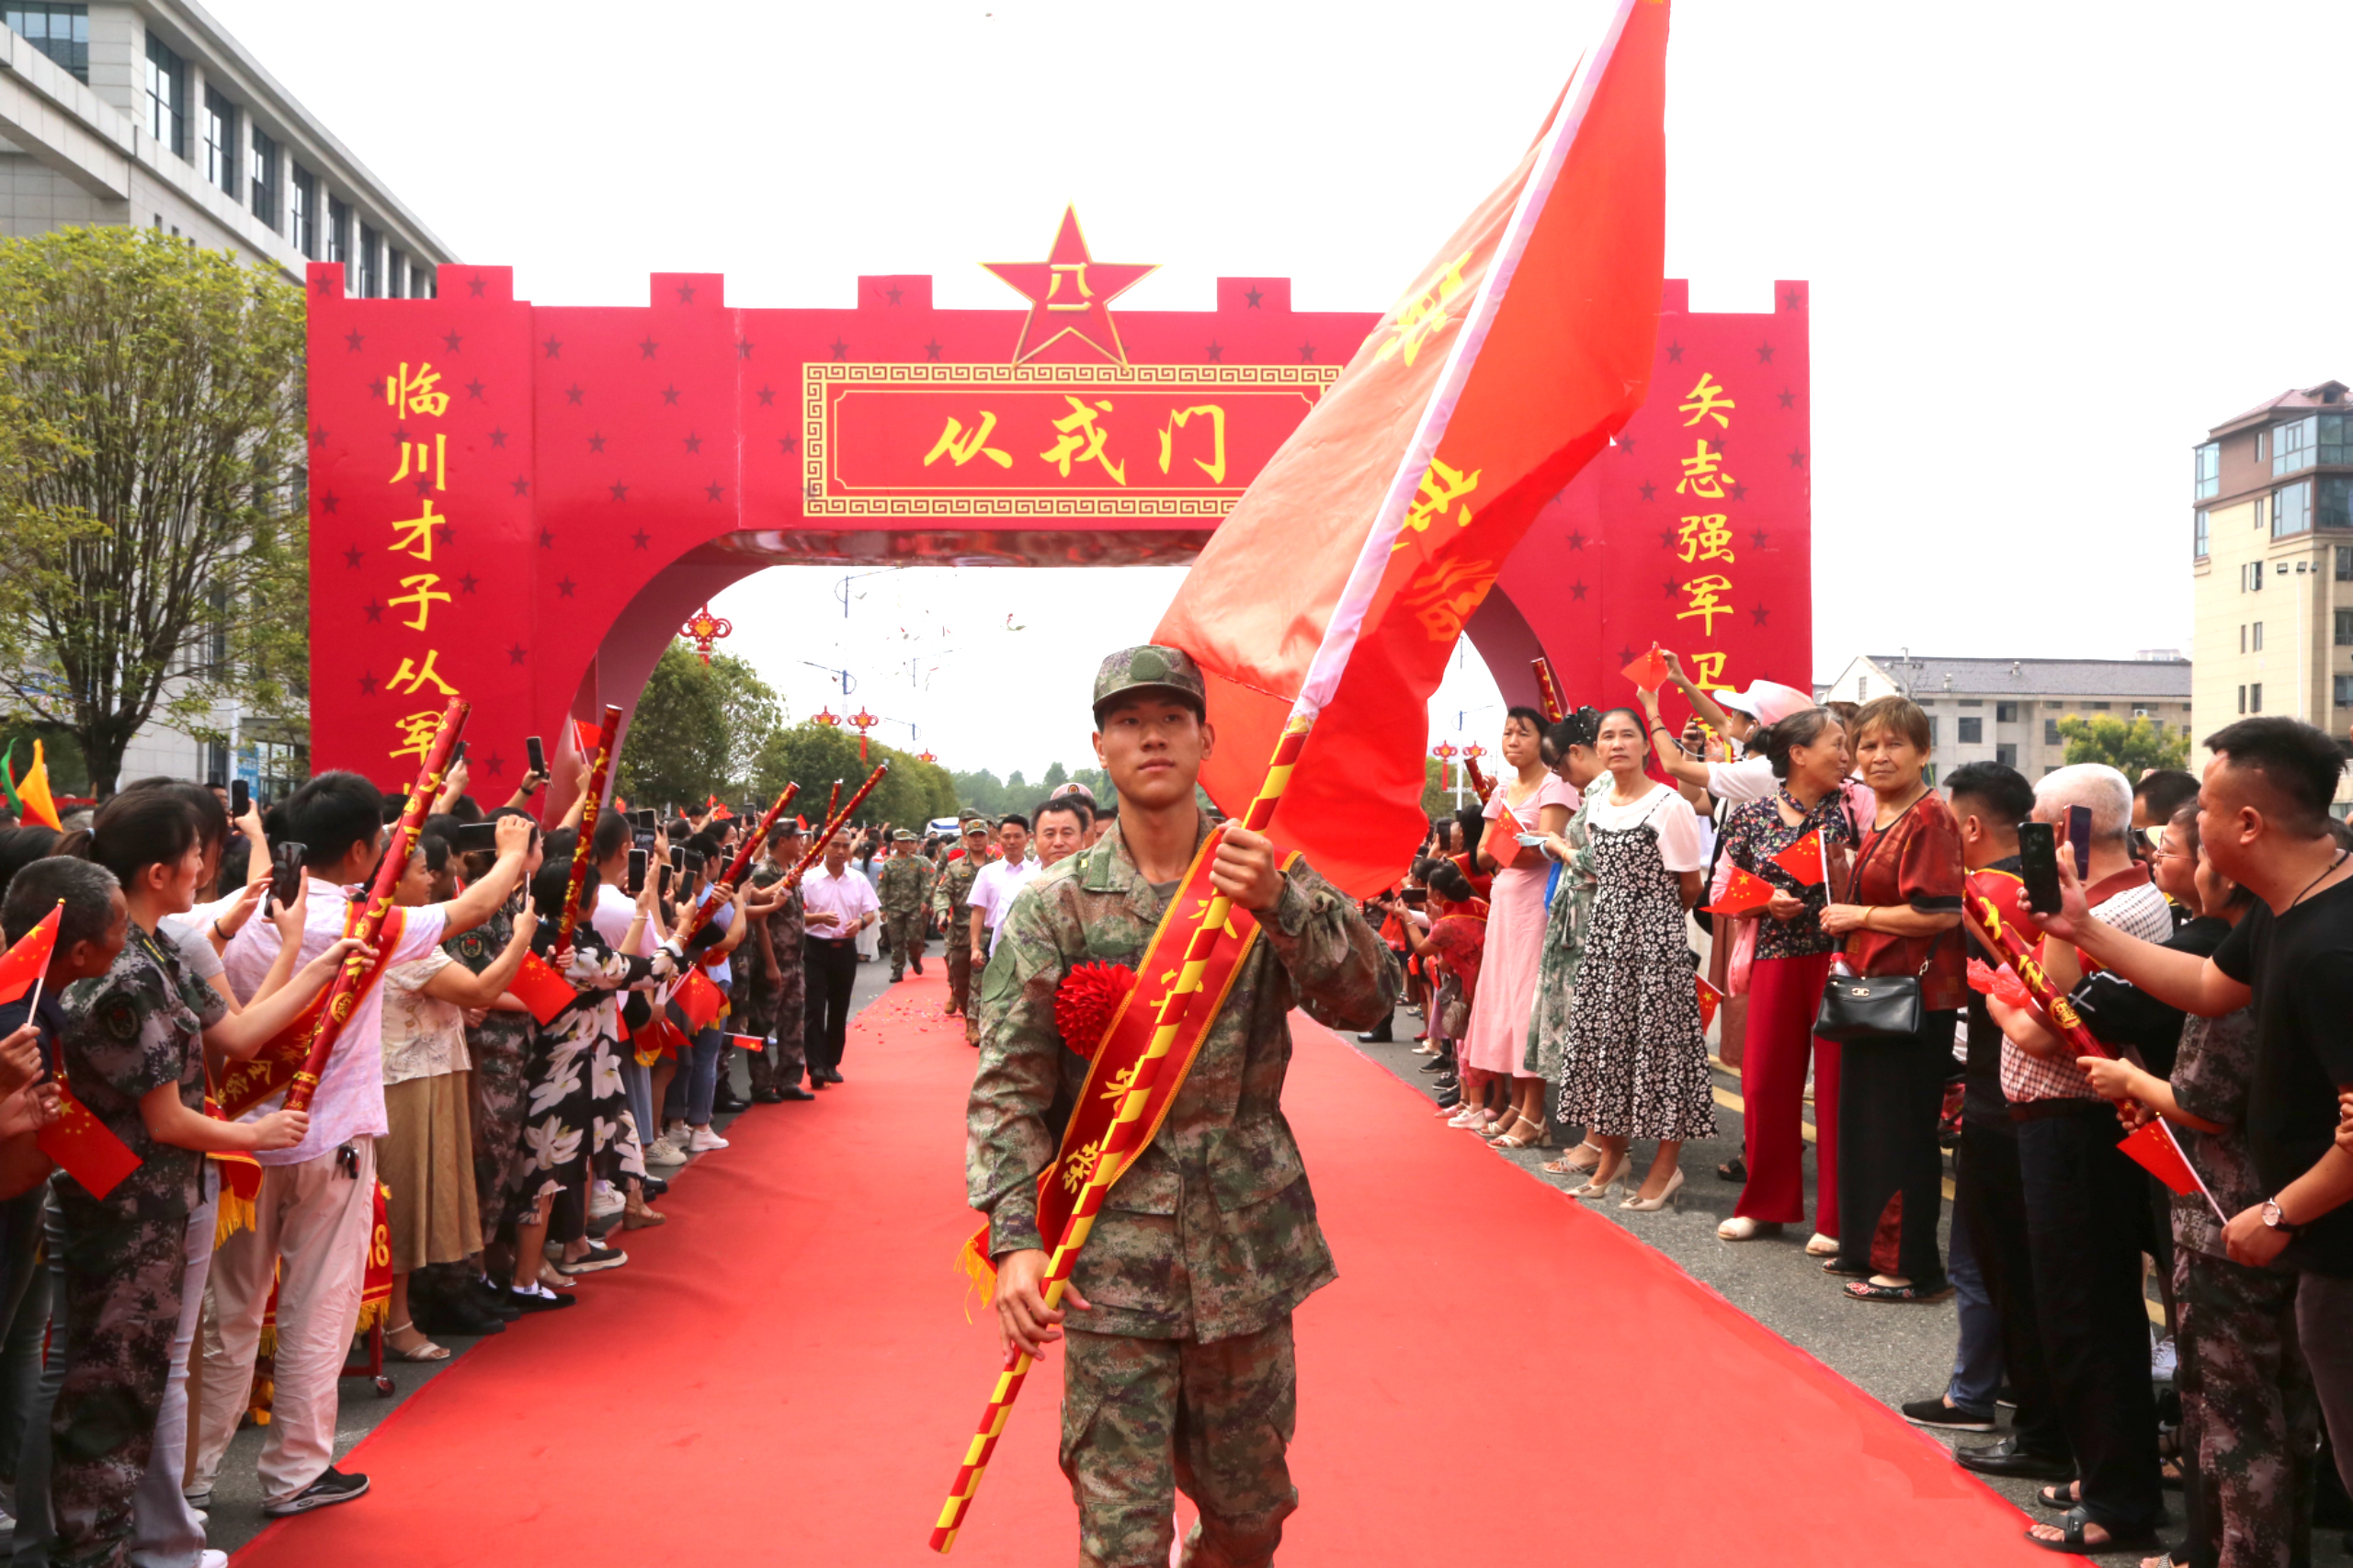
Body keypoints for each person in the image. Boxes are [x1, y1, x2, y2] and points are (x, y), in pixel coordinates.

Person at [969, 644, 1396, 1567]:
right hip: (1105, 1257)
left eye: (1170, 716)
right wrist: (1014, 1239)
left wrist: (1282, 903)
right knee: (1118, 1537)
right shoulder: (1054, 906)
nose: (1150, 733)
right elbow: (1008, 1083)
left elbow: (1370, 998)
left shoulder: (1259, 868)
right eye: (1127, 720)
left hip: (1244, 1251)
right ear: (1099, 745)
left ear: (1206, 735)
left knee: (1250, 1514)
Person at [2033, 717, 2353, 1540]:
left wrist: (2279, 1213)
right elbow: (2211, 985)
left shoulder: (2333, 944)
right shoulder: (2292, 905)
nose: (2183, 826)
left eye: (2203, 808)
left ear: (2247, 824)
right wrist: (2083, 929)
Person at [196, 778, 533, 1517]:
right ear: (359, 850)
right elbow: (472, 909)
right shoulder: (363, 918)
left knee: (229, 1317)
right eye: (381, 839)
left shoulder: (239, 909)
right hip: (329, 1140)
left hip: (237, 1140)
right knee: (320, 1307)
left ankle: (192, 1480)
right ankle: (294, 1474)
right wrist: (512, 852)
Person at [45, 789, 349, 1563]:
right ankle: (108, 1544)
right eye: (198, 851)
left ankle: (160, 1537)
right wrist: (254, 1135)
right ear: (159, 870)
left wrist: (316, 970)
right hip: (127, 1202)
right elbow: (166, 1119)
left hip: (168, 1195)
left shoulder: (162, 952)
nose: (206, 864)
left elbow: (239, 1035)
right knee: (116, 1380)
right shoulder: (124, 972)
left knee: (155, 1371)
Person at [2076, 804, 2316, 1568]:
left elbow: (2208, 1102)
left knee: (2236, 1415)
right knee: (2289, 1406)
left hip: (2230, 1213)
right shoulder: (2302, 940)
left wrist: (2129, 1079)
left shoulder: (2248, 962)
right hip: (2296, 1204)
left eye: (2197, 840)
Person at [1981, 764, 2174, 1551]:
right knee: (2078, 1307)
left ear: (2074, 828)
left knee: (2087, 1311)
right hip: (2057, 1120)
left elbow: (2041, 1020)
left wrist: (2000, 982)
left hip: (2082, 1122)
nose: (2031, 838)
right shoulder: (2091, 907)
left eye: (2040, 824)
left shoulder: (2124, 908)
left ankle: (2118, 1500)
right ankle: (2105, 1473)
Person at [1926, 766, 2072, 1475]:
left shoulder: (1987, 894)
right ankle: (1999, 1395)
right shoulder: (2030, 890)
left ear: (1973, 828)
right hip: (2016, 1097)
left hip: (2001, 1098)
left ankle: (2025, 1418)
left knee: (1999, 1267)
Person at [1816, 694, 1963, 1304]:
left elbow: (1940, 912)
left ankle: (1907, 1267)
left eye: (1894, 744)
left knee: (1901, 1133)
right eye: (1868, 745)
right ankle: (1864, 1246)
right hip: (1874, 993)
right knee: (1867, 1128)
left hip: (1914, 999)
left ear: (1923, 751)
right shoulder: (1883, 815)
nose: (1879, 756)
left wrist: (1861, 913)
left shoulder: (1928, 817)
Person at [376, 832, 537, 1360]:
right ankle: (397, 1322)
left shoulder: (399, 929)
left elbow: (455, 994)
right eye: (421, 871)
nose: (430, 880)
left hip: (428, 1076)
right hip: (402, 1084)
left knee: (424, 1198)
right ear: (389, 878)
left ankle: (400, 1314)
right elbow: (482, 989)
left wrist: (453, 1006)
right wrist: (519, 939)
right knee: (402, 1204)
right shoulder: (398, 932)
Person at [1552, 707, 1714, 1210]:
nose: (1617, 743)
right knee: (1608, 1048)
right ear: (1596, 749)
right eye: (1608, 736)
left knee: (1661, 1051)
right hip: (1604, 940)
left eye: (1628, 735)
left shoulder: (1669, 805)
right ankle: (1611, 1158)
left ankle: (1666, 1168)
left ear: (1646, 746)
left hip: (1654, 942)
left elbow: (1691, 885)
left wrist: (1652, 925)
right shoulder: (1597, 807)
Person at [1712, 707, 1856, 1245]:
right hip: (1774, 957)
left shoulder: (1856, 804)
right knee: (1767, 1083)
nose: (1847, 755)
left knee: (1839, 1090)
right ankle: (1765, 1204)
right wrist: (1766, 900)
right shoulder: (1749, 816)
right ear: (1797, 754)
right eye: (1836, 744)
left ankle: (1838, 1219)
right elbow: (1719, 891)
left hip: (1842, 961)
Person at [1461, 708, 1578, 1150]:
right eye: (1507, 732)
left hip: (1537, 905)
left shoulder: (1556, 784)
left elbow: (1545, 849)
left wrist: (1512, 844)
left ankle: (1535, 1112)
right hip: (1506, 905)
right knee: (1506, 1000)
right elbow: (1486, 855)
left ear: (1543, 741)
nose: (1512, 740)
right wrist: (1515, 843)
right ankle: (1516, 1104)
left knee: (1531, 1002)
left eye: (1522, 733)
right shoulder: (1504, 790)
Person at [1523, 710, 1607, 1176]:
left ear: (1576, 752)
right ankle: (1597, 1139)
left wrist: (1558, 848)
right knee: (1585, 1029)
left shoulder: (1605, 795)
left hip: (1589, 919)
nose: (1563, 780)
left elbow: (1597, 862)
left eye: (1561, 770)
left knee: (1590, 1028)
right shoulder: (1597, 793)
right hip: (1578, 917)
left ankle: (1599, 1140)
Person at [742, 819, 814, 1103]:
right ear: (782, 840)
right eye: (798, 838)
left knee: (793, 1023)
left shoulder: (791, 873)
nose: (802, 844)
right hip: (773, 961)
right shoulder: (764, 874)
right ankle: (761, 1084)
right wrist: (771, 964)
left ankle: (788, 1080)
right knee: (762, 1024)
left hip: (795, 962)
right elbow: (760, 922)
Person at [801, 831, 879, 1084]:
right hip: (814, 948)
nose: (841, 851)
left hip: (844, 948)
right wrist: (819, 918)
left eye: (846, 846)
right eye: (835, 845)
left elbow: (870, 912)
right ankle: (814, 1066)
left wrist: (859, 922)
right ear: (823, 847)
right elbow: (796, 916)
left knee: (839, 1006)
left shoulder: (857, 879)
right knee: (813, 1006)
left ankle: (831, 1062)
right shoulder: (808, 879)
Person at [938, 816, 994, 1040]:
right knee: (960, 983)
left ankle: (974, 1024)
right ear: (965, 839)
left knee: (980, 981)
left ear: (988, 838)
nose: (978, 840)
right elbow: (942, 894)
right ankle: (966, 1013)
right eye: (973, 836)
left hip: (988, 934)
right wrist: (942, 914)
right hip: (960, 932)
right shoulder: (953, 868)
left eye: (982, 835)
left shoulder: (997, 867)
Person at [967, 814, 1037, 966]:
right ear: (998, 839)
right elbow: (978, 911)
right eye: (1007, 836)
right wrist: (975, 947)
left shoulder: (1037, 872)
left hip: (1030, 942)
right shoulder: (987, 872)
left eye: (1017, 836)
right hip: (996, 941)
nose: (1012, 841)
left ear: (1028, 838)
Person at [876, 829, 936, 982]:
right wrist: (882, 908)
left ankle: (915, 958)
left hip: (914, 907)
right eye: (903, 842)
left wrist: (925, 901)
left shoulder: (918, 862)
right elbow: (883, 886)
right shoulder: (889, 864)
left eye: (909, 841)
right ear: (895, 843)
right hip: (894, 907)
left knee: (915, 939)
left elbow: (925, 884)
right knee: (896, 940)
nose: (907, 844)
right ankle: (897, 969)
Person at [1032, 796, 1089, 871]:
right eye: (1049, 834)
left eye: (1067, 833)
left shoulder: (1099, 880)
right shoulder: (1021, 882)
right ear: (1035, 841)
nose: (1058, 843)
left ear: (1083, 839)